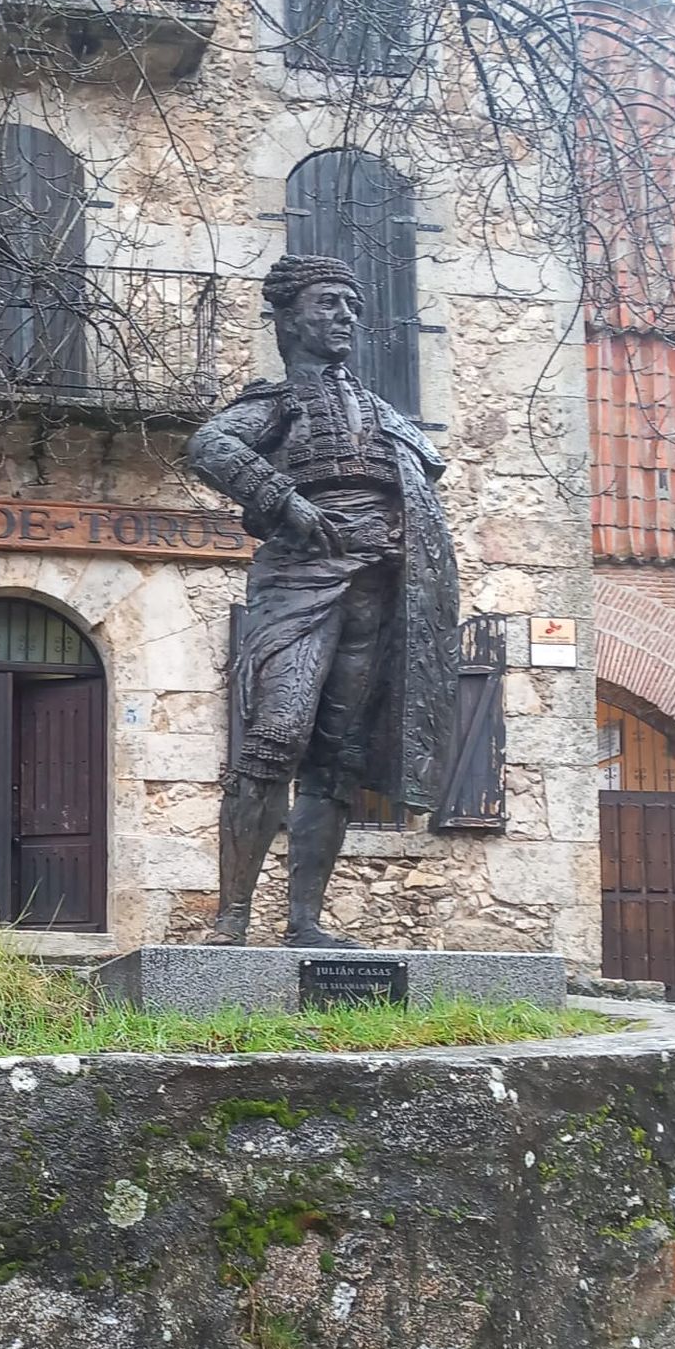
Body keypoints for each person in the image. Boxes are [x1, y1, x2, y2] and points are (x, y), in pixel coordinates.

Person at [186, 253, 459, 947]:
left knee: (338, 758)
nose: (345, 317)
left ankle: (305, 919)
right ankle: (232, 919)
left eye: (353, 307)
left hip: (377, 591)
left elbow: (425, 490)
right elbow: (208, 445)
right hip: (301, 580)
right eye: (329, 303)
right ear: (288, 318)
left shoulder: (386, 415)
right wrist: (286, 502)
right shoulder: (272, 404)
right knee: (276, 736)